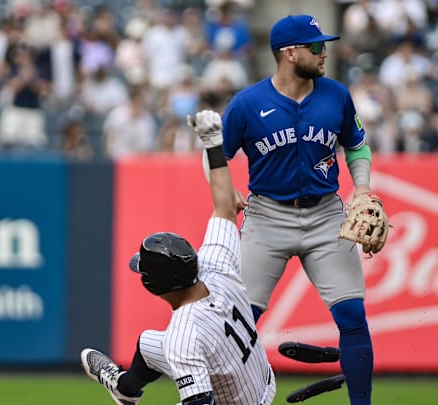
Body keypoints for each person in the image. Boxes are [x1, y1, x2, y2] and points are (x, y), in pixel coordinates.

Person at [219, 14, 376, 405]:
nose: (325, 53)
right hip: (268, 216)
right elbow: (215, 156)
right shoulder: (247, 104)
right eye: (317, 46)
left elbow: (355, 145)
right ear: (290, 53)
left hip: (325, 216)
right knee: (240, 324)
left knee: (353, 316)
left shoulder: (336, 94)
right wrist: (226, 190)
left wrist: (363, 189)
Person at [80, 109, 276, 405]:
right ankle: (124, 389)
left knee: (174, 353)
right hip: (261, 380)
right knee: (148, 344)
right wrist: (212, 141)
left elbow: (200, 403)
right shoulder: (217, 265)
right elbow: (224, 205)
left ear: (153, 285)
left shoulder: (182, 335)